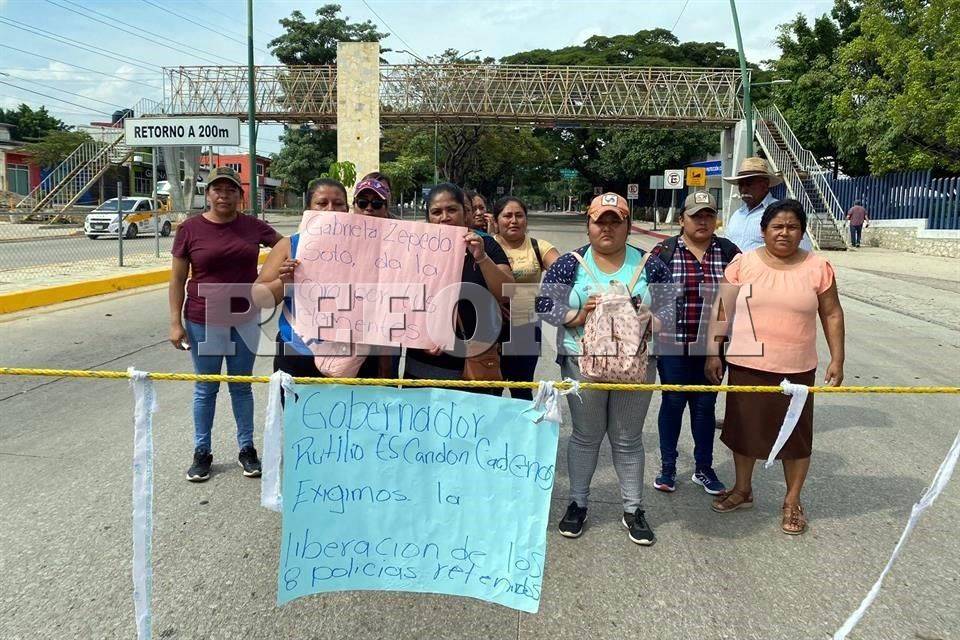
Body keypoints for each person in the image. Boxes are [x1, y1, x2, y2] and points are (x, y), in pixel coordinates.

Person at [536, 192, 673, 546]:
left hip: (636, 365)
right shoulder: (570, 264)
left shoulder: (650, 264)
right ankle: (578, 503)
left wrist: (646, 318)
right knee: (585, 436)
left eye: (616, 220)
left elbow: (672, 311)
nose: (608, 228)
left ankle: (633, 508)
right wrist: (577, 316)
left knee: (627, 439)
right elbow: (544, 306)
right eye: (601, 221)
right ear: (589, 225)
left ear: (628, 225)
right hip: (582, 364)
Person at [706, 199, 845, 535]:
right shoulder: (743, 264)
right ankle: (742, 489)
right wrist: (713, 352)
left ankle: (792, 501)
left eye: (792, 226)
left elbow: (832, 313)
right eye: (777, 226)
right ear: (763, 231)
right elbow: (722, 309)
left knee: (796, 439)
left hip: (797, 368)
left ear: (801, 231)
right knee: (743, 431)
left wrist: (837, 358)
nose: (784, 232)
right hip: (747, 363)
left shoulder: (818, 267)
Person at [168, 166, 282, 482]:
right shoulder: (190, 230)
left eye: (230, 189)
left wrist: (271, 280)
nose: (223, 194)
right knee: (206, 388)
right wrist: (174, 323)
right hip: (203, 318)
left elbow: (286, 248)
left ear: (240, 196)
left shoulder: (253, 227)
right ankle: (201, 452)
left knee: (241, 386)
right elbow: (177, 279)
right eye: (217, 189)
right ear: (208, 194)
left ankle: (247, 449)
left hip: (243, 317)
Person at [649, 191, 740, 495]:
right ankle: (668, 468)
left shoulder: (729, 252)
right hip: (672, 344)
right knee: (673, 403)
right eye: (695, 216)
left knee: (705, 406)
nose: (702, 221)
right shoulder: (664, 252)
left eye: (708, 215)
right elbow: (647, 295)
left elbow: (741, 296)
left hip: (713, 346)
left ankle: (703, 468)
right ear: (681, 220)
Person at [403, 183, 514, 394]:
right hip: (423, 365)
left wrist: (481, 258)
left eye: (452, 210)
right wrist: (420, 335)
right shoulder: (414, 249)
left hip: (472, 367)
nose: (444, 217)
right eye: (436, 212)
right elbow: (400, 300)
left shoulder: (487, 245)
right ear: (428, 218)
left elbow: (508, 291)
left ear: (466, 214)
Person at [253, 178, 349, 379]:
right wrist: (284, 282)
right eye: (322, 203)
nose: (331, 209)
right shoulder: (289, 246)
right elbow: (259, 297)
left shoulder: (363, 248)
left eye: (338, 204)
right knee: (293, 410)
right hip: (296, 352)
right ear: (308, 209)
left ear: (347, 209)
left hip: (347, 357)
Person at [492, 196, 560, 400]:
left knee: (521, 388)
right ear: (496, 221)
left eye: (519, 215)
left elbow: (565, 275)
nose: (513, 220)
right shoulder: (486, 246)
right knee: (490, 389)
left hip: (525, 328)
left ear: (526, 220)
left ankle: (522, 432)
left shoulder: (539, 247)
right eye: (507, 216)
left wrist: (540, 302)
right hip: (489, 328)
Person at [722, 157, 813, 252]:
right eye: (741, 185)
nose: (743, 189)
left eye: (749, 184)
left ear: (765, 185)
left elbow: (803, 249)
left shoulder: (782, 213)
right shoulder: (737, 214)